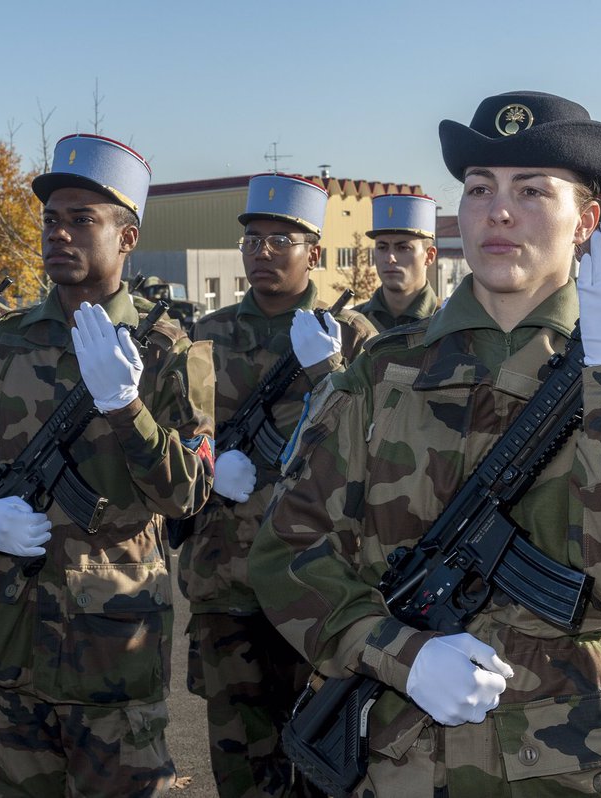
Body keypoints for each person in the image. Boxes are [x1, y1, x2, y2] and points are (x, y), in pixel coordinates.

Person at [250, 91, 601, 795]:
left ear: (587, 221)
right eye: (479, 189)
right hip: (405, 765)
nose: (498, 211)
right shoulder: (382, 374)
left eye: (531, 190)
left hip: (578, 769)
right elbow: (288, 553)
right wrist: (400, 654)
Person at [0, 132, 215, 797]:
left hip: (112, 653)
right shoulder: (5, 344)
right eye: (52, 219)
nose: (60, 234)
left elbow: (188, 494)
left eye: (83, 219)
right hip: (15, 645)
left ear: (127, 237)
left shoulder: (168, 352)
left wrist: (126, 407)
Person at [176, 172, 374, 797]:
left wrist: (331, 375)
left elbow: (380, 450)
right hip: (224, 577)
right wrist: (206, 468)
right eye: (252, 241)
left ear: (313, 252)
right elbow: (176, 437)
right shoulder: (204, 338)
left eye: (279, 240)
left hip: (318, 581)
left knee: (326, 750)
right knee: (238, 755)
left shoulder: (354, 338)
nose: (261, 253)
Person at [353, 193, 440, 330]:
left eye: (403, 248)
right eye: (382, 247)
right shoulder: (350, 324)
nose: (390, 258)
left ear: (429, 256)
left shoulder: (450, 323)